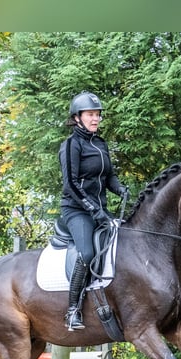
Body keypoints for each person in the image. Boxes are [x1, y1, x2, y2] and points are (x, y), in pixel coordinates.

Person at [58, 91, 127, 331]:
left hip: (100, 209)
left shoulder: (100, 143)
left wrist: (120, 188)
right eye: (90, 114)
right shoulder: (70, 145)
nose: (95, 118)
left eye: (97, 114)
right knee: (86, 253)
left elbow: (108, 176)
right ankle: (72, 310)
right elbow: (71, 184)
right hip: (76, 210)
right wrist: (92, 210)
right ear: (77, 117)